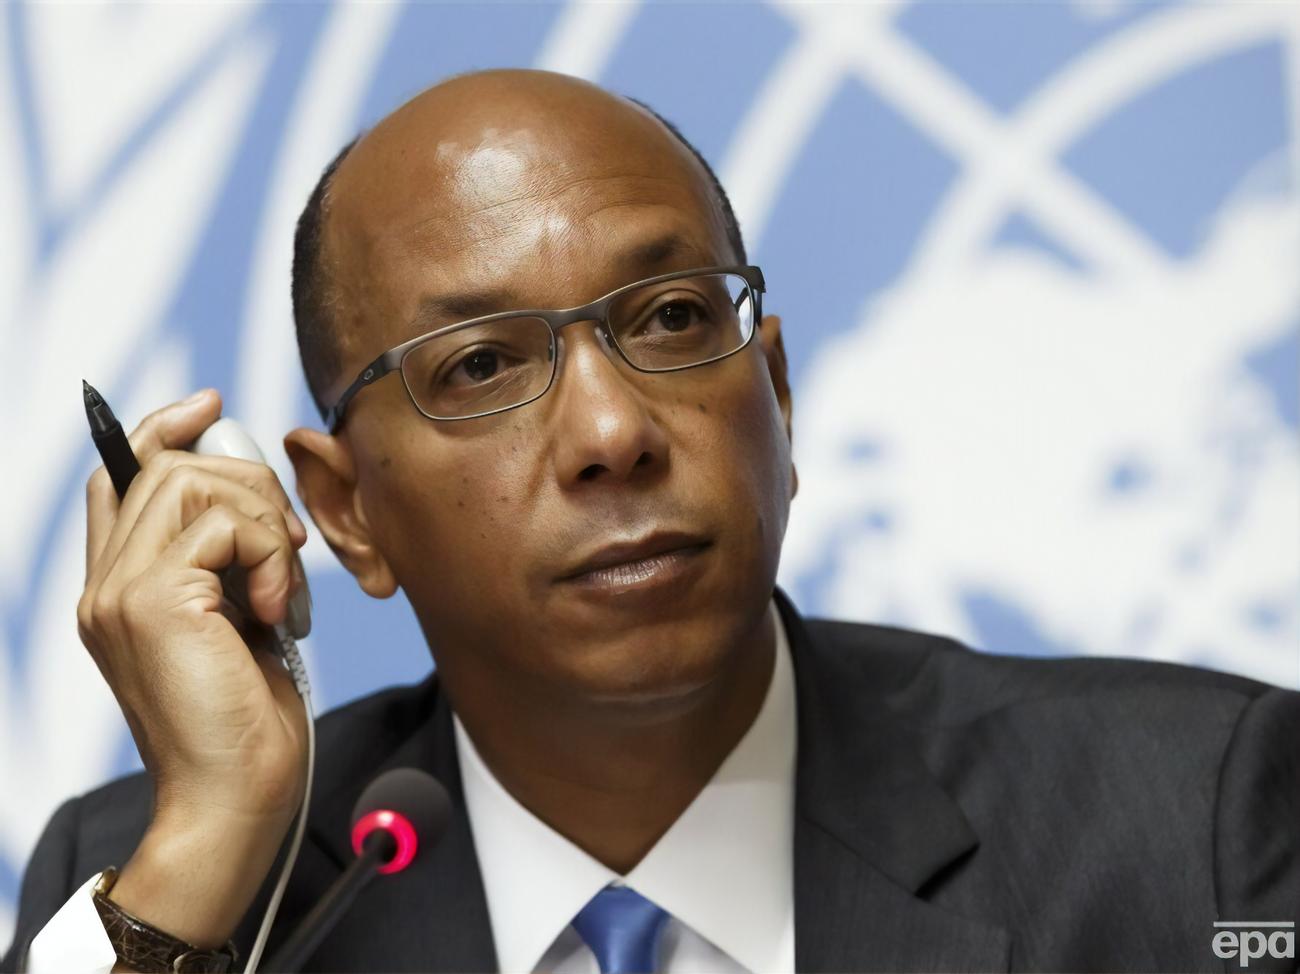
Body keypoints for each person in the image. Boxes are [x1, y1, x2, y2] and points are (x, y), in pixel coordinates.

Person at [4, 68, 1297, 974]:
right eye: (481, 365)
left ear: (776, 397)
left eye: (673, 318)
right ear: (346, 514)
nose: (612, 431)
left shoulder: (1190, 817)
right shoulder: (157, 879)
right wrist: (204, 853)